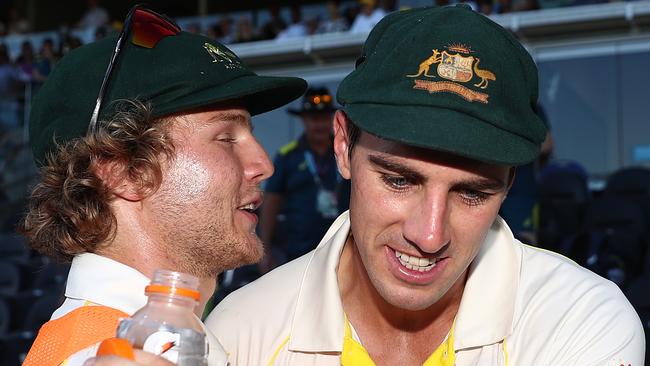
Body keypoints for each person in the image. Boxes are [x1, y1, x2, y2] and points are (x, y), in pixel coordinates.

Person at [207, 5, 645, 365]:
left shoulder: (581, 321)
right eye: (398, 180)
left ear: (510, 182)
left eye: (472, 192)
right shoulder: (239, 335)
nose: (430, 235)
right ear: (344, 145)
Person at [20, 5, 306, 366]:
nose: (263, 165)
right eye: (225, 138)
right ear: (124, 173)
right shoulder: (101, 352)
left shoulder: (167, 338)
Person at [259, 87, 350, 273]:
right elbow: (270, 203)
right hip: (297, 253)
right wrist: (265, 249)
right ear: (303, 120)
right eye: (313, 119)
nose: (319, 124)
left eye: (323, 118)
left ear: (332, 120)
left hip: (344, 248)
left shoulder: (347, 151)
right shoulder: (287, 157)